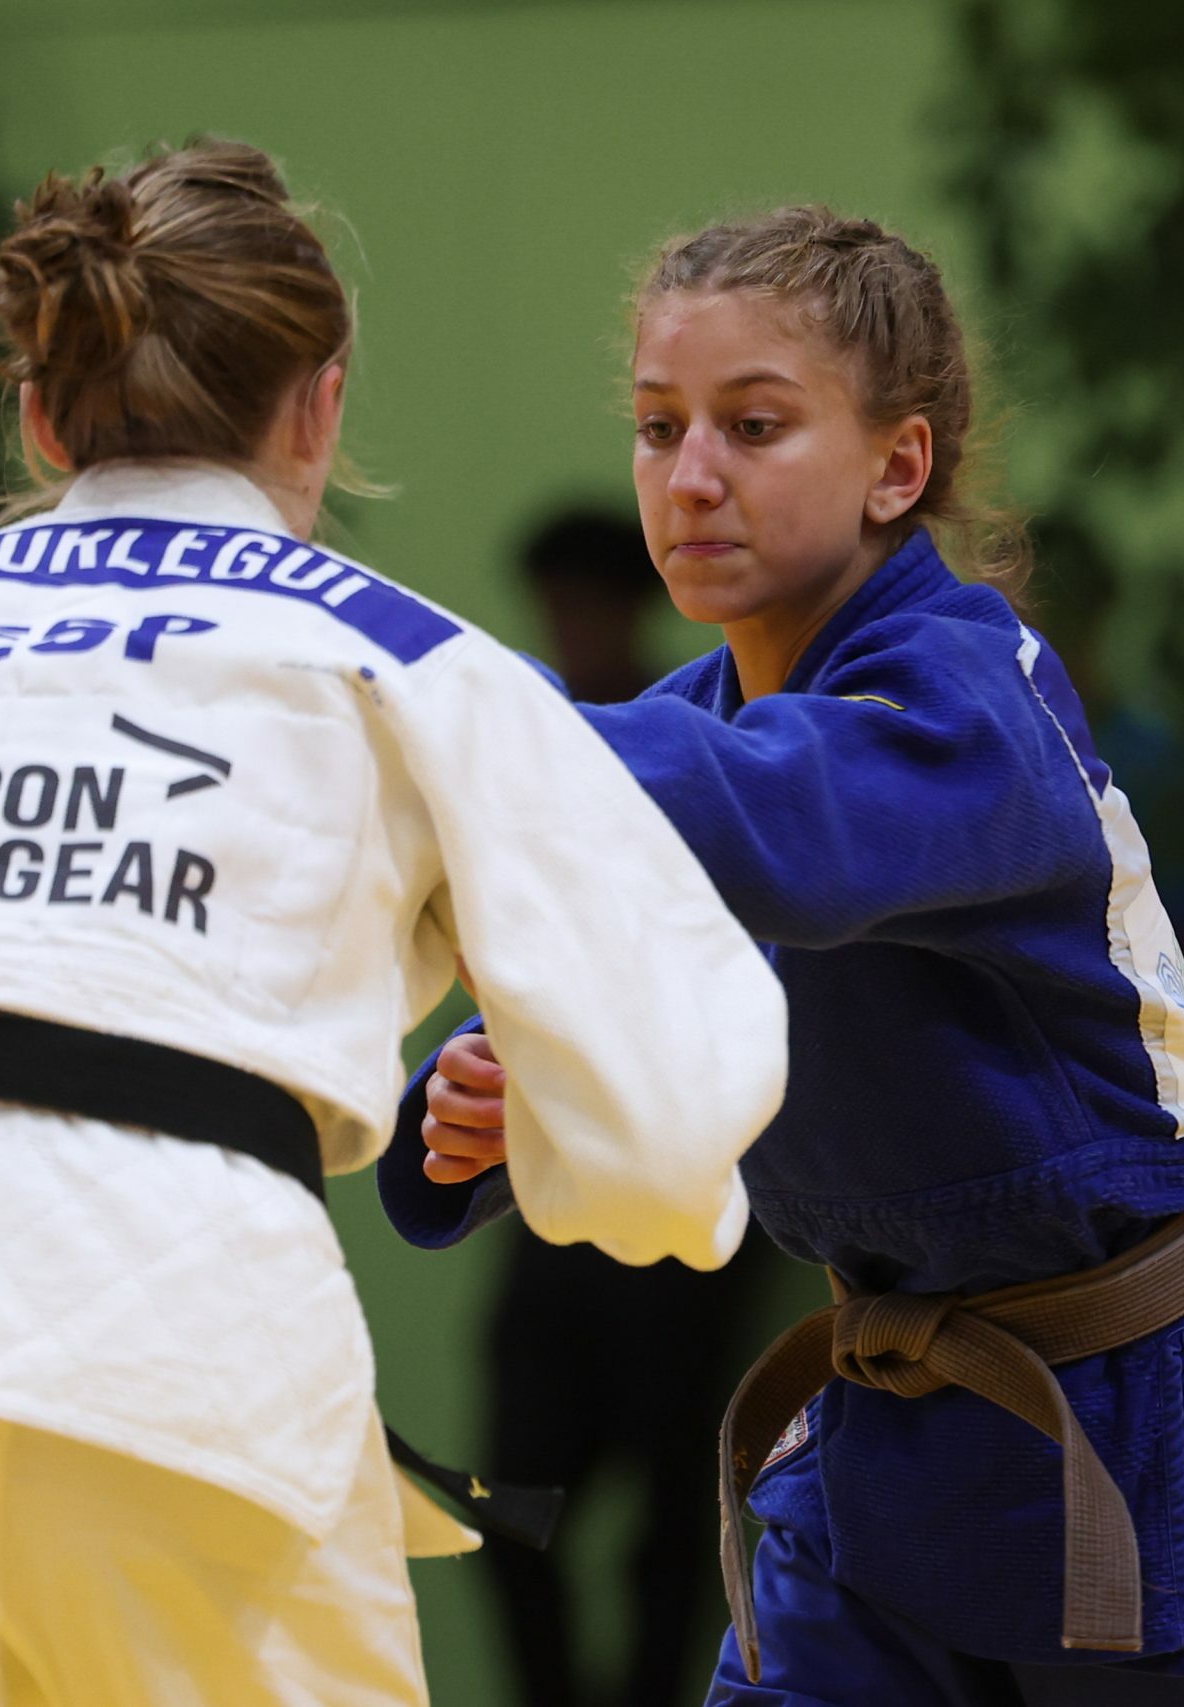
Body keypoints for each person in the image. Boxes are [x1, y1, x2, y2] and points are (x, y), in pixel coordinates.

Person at [0, 143, 788, 1707]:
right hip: (187, 1352)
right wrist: (631, 1196)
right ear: (319, 403)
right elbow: (660, 1112)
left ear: (39, 412)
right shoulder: (418, 662)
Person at [386, 207, 1184, 1704]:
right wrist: (490, 1115)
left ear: (898, 465)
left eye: (754, 425)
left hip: (1177, 1422)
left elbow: (785, 826)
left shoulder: (967, 693)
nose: (690, 474)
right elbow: (609, 1018)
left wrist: (418, 685)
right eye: (657, 428)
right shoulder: (684, 745)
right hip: (894, 1437)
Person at [478, 508, 781, 1707]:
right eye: (560, 607)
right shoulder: (526, 742)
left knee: (674, 1516)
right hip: (553, 1198)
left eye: (593, 605)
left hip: (687, 1183)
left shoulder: (697, 739)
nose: (575, 628)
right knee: (509, 1504)